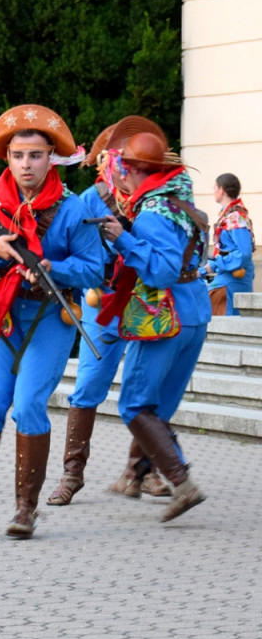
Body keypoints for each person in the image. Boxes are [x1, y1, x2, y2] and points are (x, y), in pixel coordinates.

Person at [0, 104, 103, 541]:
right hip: (3, 314)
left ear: (51, 156)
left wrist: (55, 268)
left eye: (35, 155)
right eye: (17, 155)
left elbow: (94, 268)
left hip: (51, 315)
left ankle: (25, 509)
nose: (26, 164)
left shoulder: (73, 208)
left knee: (30, 404)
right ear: (5, 157)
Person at [44, 119, 171, 506]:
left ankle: (140, 472)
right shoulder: (88, 200)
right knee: (87, 389)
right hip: (104, 303)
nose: (128, 168)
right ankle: (72, 473)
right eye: (122, 159)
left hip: (145, 302)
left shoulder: (156, 197)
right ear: (106, 161)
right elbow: (67, 252)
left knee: (148, 391)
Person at [93, 117, 211, 522]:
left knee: (135, 405)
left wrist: (122, 237)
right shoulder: (180, 201)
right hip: (195, 310)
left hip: (166, 317)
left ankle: (182, 484)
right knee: (158, 408)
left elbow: (159, 271)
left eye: (120, 172)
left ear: (135, 170)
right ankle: (141, 473)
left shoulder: (152, 212)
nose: (118, 181)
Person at [202, 173, 254, 316]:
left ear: (221, 190)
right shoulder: (230, 215)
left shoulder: (235, 217)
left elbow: (244, 253)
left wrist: (215, 264)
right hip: (227, 277)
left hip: (232, 280)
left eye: (214, 188)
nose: (213, 191)